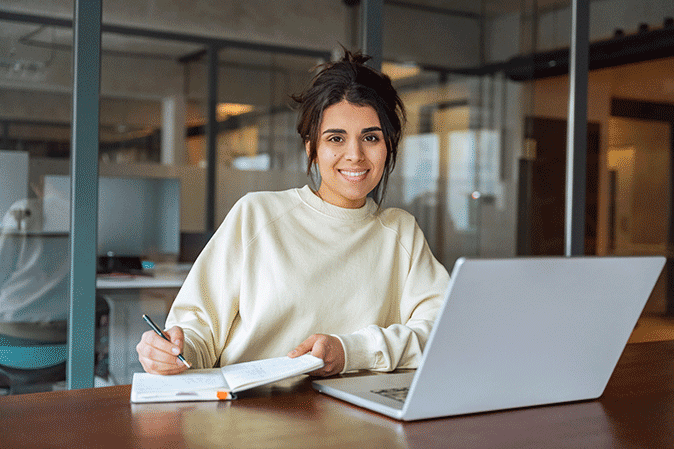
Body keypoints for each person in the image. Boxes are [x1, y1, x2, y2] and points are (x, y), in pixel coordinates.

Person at [136, 49, 450, 377]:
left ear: (389, 145)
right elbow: (198, 331)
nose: (355, 155)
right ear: (311, 147)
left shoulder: (401, 232)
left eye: (370, 137)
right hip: (250, 416)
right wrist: (173, 351)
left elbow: (441, 333)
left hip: (360, 420)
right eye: (336, 138)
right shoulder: (256, 215)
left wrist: (350, 352)